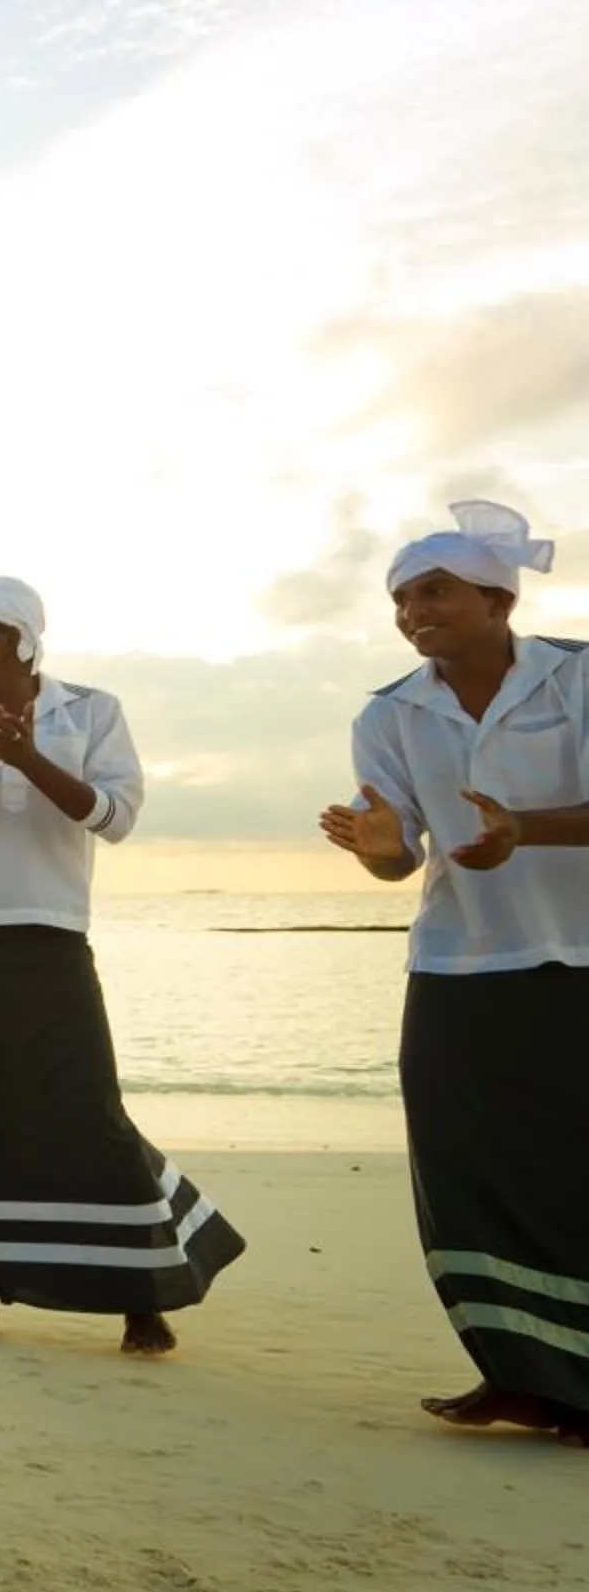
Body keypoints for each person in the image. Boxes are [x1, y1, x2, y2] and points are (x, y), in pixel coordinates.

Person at [0, 578, 243, 1355]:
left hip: (54, 935)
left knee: (86, 1112)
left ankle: (142, 1298)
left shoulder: (91, 711)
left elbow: (115, 817)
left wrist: (30, 760)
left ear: (15, 637)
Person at [321, 501, 589, 1447]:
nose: (411, 611)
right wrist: (381, 849)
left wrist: (527, 829)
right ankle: (516, 1373)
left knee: (571, 1169)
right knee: (465, 1170)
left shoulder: (577, 677)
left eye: (432, 591)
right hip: (455, 963)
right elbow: (402, 858)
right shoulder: (391, 710)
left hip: (576, 958)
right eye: (400, 598)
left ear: (497, 596)